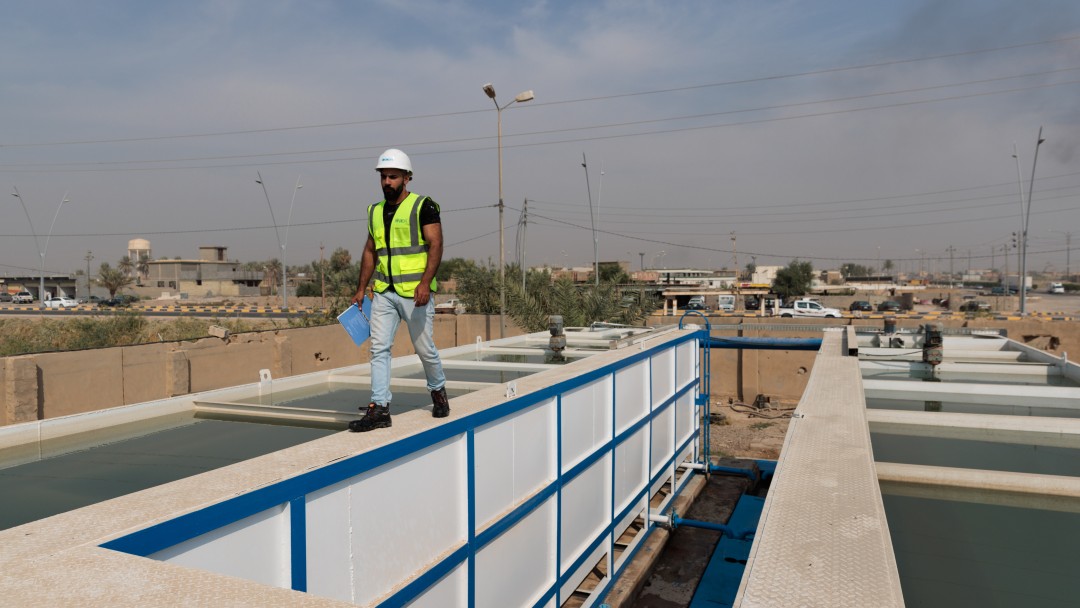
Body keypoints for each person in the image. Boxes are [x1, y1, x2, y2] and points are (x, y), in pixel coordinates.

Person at [349, 148, 449, 432]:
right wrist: (361, 288)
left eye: (393, 176)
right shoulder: (375, 211)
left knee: (424, 348)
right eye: (383, 177)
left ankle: (438, 390)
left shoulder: (423, 206)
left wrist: (425, 283)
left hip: (415, 295)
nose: (387, 182)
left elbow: (436, 245)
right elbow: (371, 251)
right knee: (379, 349)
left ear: (407, 178)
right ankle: (380, 408)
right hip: (383, 293)